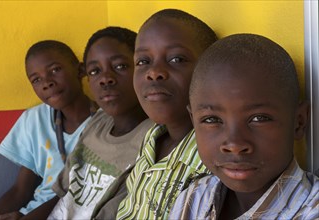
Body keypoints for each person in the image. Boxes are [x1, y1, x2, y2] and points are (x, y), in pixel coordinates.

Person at [169, 33, 319, 219]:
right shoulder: (193, 198)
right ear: (194, 121)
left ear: (299, 122)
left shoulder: (311, 211)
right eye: (211, 119)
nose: (234, 144)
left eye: (259, 118)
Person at [29, 27, 153, 219]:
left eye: (120, 66)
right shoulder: (97, 124)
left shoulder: (153, 139)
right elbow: (63, 196)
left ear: (143, 67)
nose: (105, 79)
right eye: (95, 71)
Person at [116, 9, 218, 219]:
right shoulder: (152, 138)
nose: (154, 72)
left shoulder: (215, 159)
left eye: (176, 59)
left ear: (213, 69)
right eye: (143, 61)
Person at [0, 40, 96, 220]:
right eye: (36, 80)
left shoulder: (106, 123)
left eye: (55, 70)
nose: (47, 83)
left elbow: (78, 194)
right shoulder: (35, 119)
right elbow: (21, 190)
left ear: (80, 70)